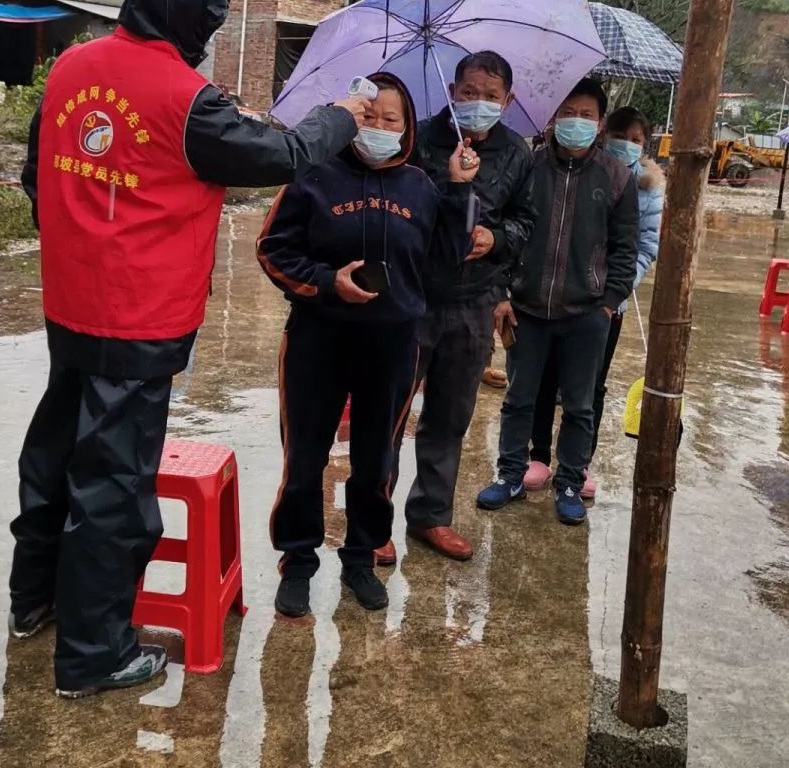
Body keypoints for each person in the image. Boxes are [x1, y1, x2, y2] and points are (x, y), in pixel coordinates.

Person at [8, 0, 371, 698]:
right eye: (213, 10)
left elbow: (36, 172)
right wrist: (341, 115)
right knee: (114, 488)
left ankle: (32, 599)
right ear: (195, 13)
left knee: (54, 452)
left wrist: (74, 238)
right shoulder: (188, 102)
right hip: (138, 319)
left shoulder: (71, 67)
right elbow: (283, 156)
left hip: (69, 303)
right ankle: (93, 655)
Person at [256, 73, 478, 617]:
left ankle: (360, 558)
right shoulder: (313, 174)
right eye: (368, 116)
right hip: (317, 339)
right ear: (350, 117)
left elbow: (445, 260)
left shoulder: (421, 187)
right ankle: (298, 562)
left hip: (393, 344)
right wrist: (327, 282)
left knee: (375, 459)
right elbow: (272, 249)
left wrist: (458, 188)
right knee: (304, 456)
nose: (378, 126)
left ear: (406, 129)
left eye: (390, 119)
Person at [388, 50, 535, 563]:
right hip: (412, 297)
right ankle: (373, 521)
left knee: (450, 415)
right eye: (469, 93)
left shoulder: (517, 153)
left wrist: (495, 239)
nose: (479, 103)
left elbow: (526, 222)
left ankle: (431, 515)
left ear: (508, 101)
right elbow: (394, 204)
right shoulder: (418, 139)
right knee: (389, 410)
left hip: (474, 302)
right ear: (452, 92)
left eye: (491, 96)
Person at [477, 77, 638, 526]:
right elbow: (505, 232)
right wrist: (503, 292)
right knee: (519, 398)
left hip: (587, 313)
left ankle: (569, 481)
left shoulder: (617, 177)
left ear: (600, 123)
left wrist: (608, 302)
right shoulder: (529, 166)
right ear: (552, 118)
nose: (575, 122)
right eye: (567, 112)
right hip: (527, 309)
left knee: (580, 406)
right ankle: (510, 474)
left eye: (586, 115)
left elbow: (625, 248)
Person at [525, 105, 664, 497]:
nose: (626, 145)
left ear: (645, 145)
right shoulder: (582, 172)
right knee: (546, 376)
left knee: (590, 387)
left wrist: (615, 291)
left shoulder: (647, 187)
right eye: (619, 137)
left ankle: (579, 462)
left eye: (635, 140)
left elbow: (645, 246)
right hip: (560, 295)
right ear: (604, 134)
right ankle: (538, 455)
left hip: (606, 304)